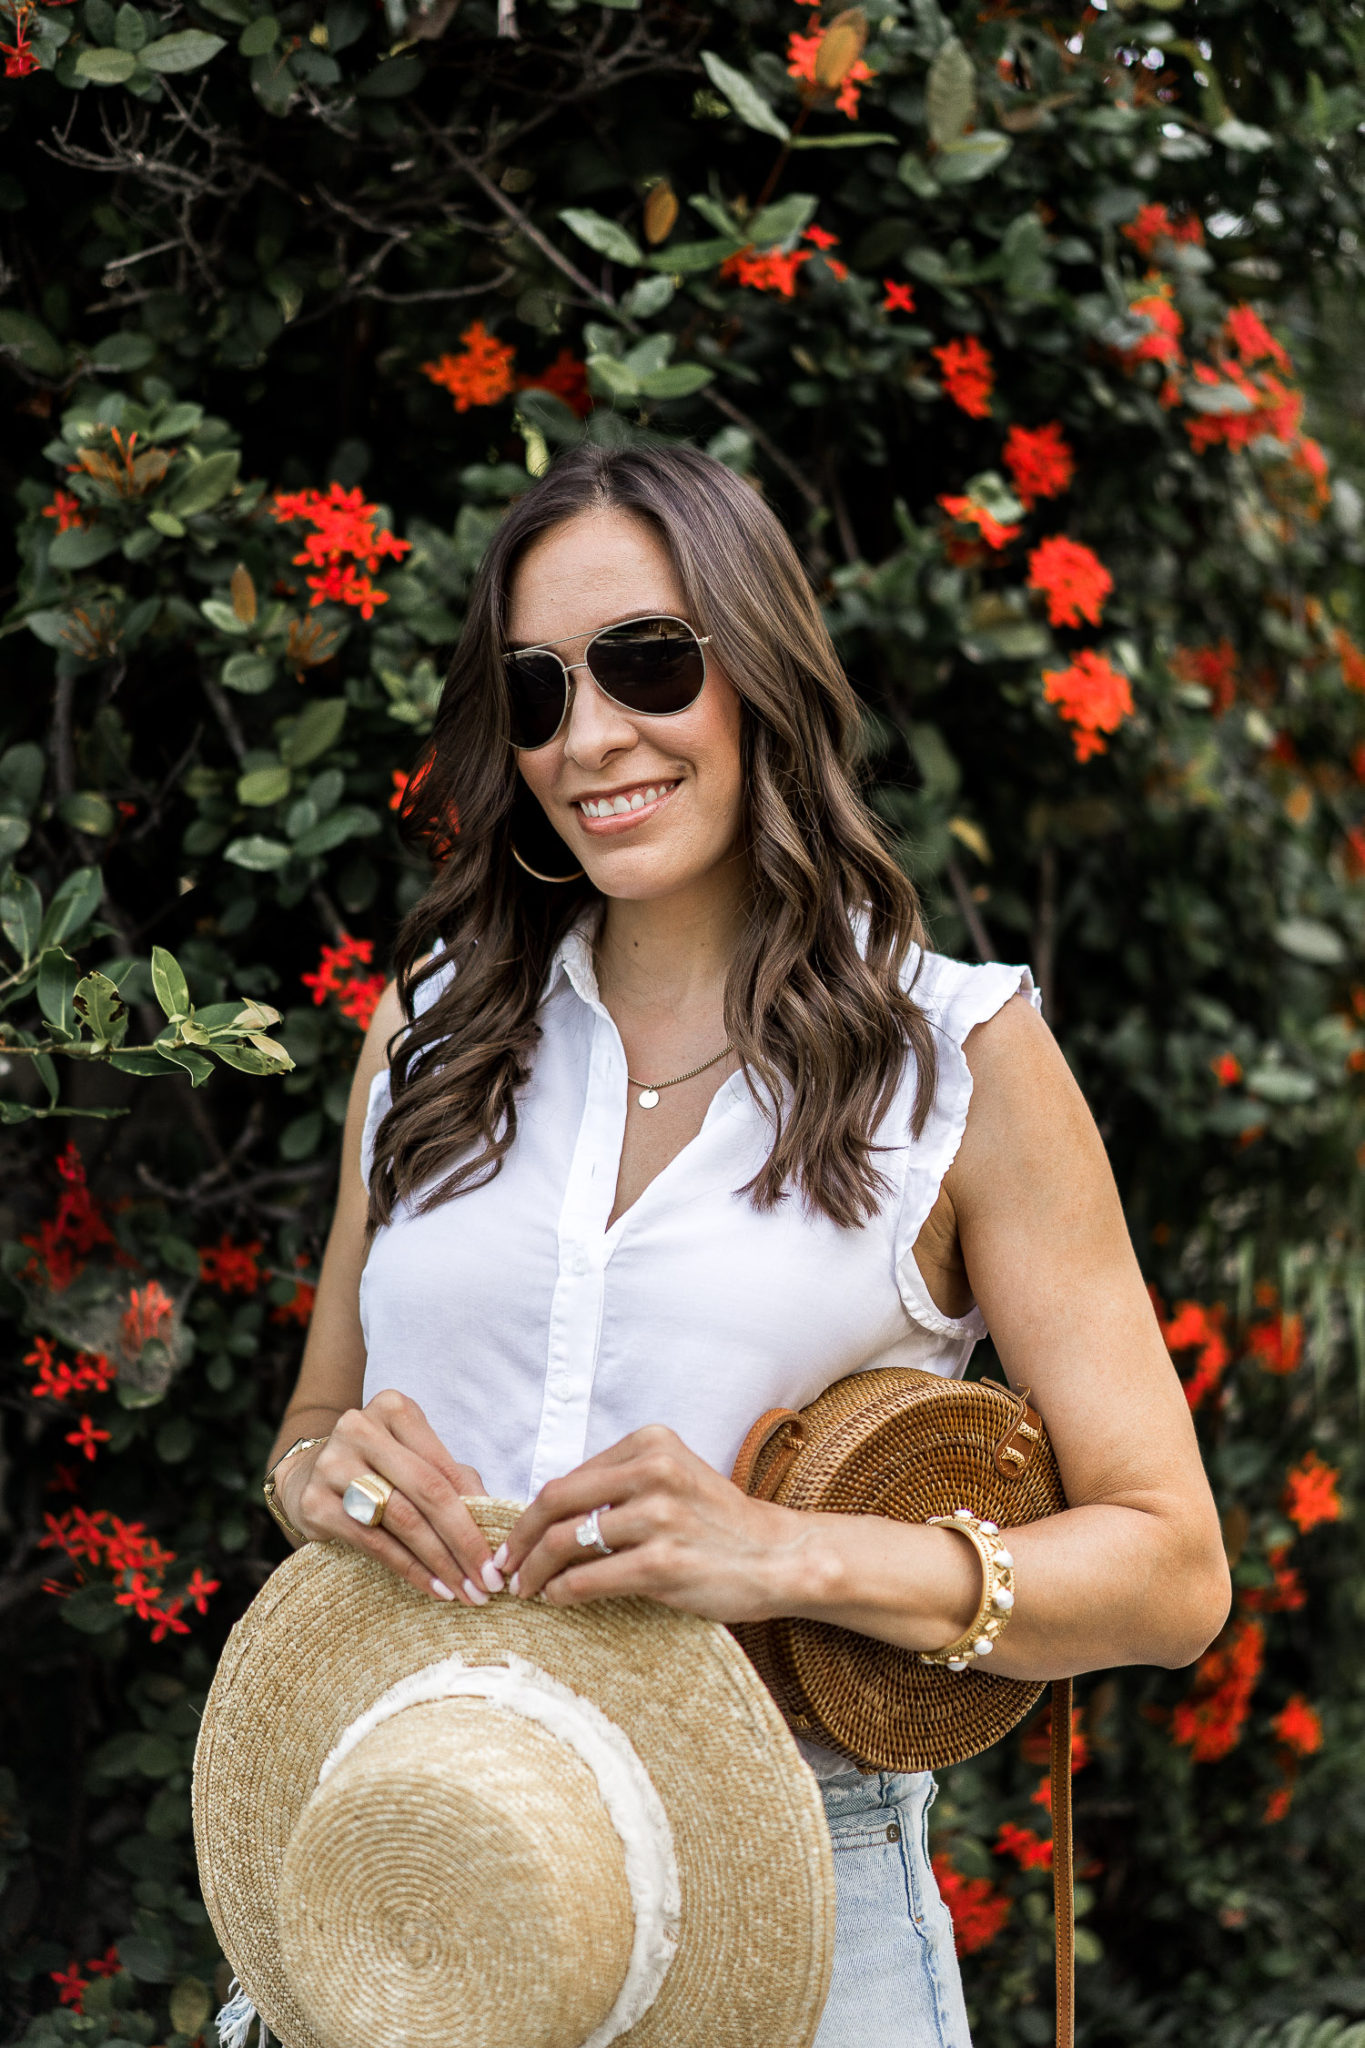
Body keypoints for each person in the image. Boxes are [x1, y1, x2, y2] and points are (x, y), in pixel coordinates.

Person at [263, 441, 1231, 2046]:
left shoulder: (954, 1059)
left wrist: (786, 1557)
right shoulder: (425, 1033)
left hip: (790, 1892)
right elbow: (309, 1434)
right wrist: (329, 1483)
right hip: (413, 1870)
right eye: (537, 690)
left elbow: (1170, 1568)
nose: (591, 739)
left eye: (646, 663)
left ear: (758, 671)